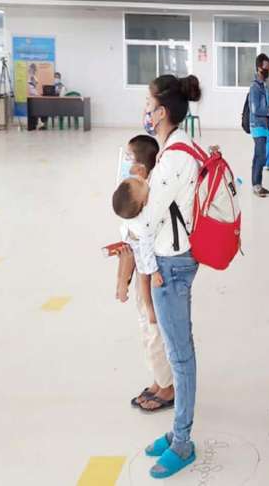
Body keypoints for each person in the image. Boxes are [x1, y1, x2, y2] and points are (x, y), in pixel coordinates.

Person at [131, 73, 202, 479]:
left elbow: (145, 220)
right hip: (169, 261)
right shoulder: (177, 146)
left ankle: (183, 442)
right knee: (178, 350)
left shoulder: (174, 159)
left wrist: (128, 204)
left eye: (148, 102)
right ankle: (176, 432)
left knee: (180, 356)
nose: (145, 109)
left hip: (170, 266)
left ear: (161, 112)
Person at [113, 135, 174, 413]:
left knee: (154, 332)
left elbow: (146, 260)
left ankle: (167, 387)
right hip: (141, 276)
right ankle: (159, 380)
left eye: (129, 158)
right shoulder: (133, 195)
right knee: (148, 334)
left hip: (150, 279)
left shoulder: (147, 202)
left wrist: (146, 301)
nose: (124, 162)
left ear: (140, 169)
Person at [249, 53, 269, 197]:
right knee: (260, 157)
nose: (268, 69)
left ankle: (258, 184)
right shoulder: (255, 87)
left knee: (259, 156)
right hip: (257, 125)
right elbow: (255, 110)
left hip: (264, 125)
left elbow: (264, 105)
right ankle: (256, 186)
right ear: (259, 68)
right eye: (266, 67)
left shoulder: (263, 85)